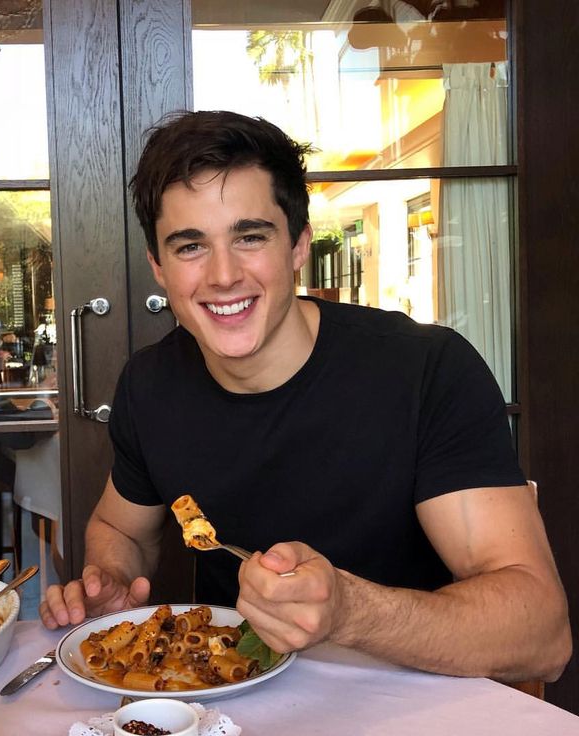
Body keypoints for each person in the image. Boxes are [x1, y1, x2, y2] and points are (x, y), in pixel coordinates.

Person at [40, 110, 571, 682]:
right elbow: (120, 529)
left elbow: (542, 634)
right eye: (191, 246)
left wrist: (348, 610)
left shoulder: (425, 370)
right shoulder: (150, 385)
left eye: (249, 237)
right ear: (159, 269)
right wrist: (110, 581)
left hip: (416, 703)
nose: (223, 276)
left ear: (298, 246)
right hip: (234, 701)